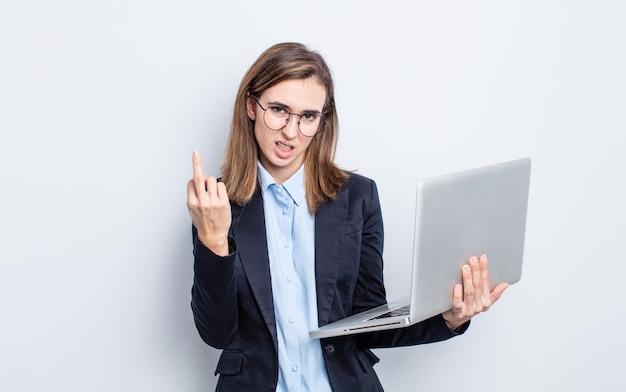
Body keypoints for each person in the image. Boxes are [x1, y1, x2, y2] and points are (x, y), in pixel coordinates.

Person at [186, 42, 508, 392]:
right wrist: (214, 240)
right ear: (251, 106)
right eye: (278, 109)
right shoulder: (215, 204)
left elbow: (369, 320)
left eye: (308, 116)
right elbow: (216, 333)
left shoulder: (358, 197)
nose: (291, 132)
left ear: (322, 120)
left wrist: (451, 317)